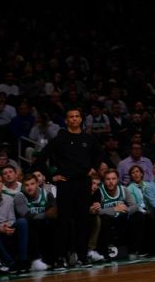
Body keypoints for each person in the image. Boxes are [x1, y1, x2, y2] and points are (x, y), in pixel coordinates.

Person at [33, 107, 101, 269]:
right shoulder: (59, 139)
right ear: (66, 120)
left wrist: (94, 168)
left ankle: (82, 257)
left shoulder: (89, 138)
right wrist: (51, 177)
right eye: (71, 116)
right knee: (63, 223)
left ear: (81, 119)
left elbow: (99, 154)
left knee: (82, 222)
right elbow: (40, 158)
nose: (75, 119)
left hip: (84, 183)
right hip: (66, 184)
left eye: (77, 116)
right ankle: (59, 258)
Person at [13, 173, 54, 271]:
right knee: (32, 223)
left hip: (44, 224)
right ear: (23, 186)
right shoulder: (19, 196)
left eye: (32, 184)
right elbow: (27, 216)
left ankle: (60, 257)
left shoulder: (46, 193)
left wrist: (49, 215)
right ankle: (35, 260)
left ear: (37, 184)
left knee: (56, 223)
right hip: (27, 226)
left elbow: (53, 213)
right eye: (26, 185)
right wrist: (46, 214)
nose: (29, 187)